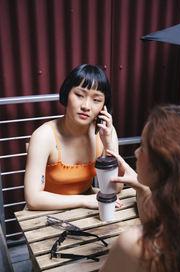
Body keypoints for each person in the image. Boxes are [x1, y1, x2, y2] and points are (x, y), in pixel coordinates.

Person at [96, 105, 180, 272]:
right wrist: (142, 186)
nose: (136, 152)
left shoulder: (136, 245)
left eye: (143, 146)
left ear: (163, 165)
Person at [24, 64, 123, 210]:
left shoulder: (105, 132)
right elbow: (33, 199)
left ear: (104, 107)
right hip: (46, 209)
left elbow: (115, 188)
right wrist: (83, 201)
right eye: (79, 95)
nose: (86, 106)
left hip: (86, 208)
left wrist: (108, 145)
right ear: (66, 94)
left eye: (96, 100)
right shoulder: (44, 136)